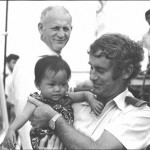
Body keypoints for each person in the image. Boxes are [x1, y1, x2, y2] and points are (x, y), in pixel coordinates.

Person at [28, 33, 150, 149]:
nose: (92, 76)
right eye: (91, 67)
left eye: (100, 70)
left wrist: (54, 118)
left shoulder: (139, 114)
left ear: (126, 71)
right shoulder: (77, 101)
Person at [3, 55, 103, 150]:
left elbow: (85, 94)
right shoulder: (36, 100)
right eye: (51, 84)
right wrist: (12, 129)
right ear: (38, 85)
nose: (58, 89)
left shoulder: (66, 96)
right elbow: (23, 115)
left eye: (63, 84)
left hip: (66, 141)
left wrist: (92, 100)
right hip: (44, 142)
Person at [10, 5, 73, 149]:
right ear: (40, 28)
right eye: (55, 28)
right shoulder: (32, 62)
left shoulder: (54, 60)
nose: (62, 34)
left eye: (66, 28)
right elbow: (28, 113)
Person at [5, 54, 19, 123]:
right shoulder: (8, 80)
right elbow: (4, 99)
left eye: (17, 62)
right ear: (7, 64)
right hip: (10, 113)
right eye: (14, 62)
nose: (16, 64)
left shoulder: (19, 78)